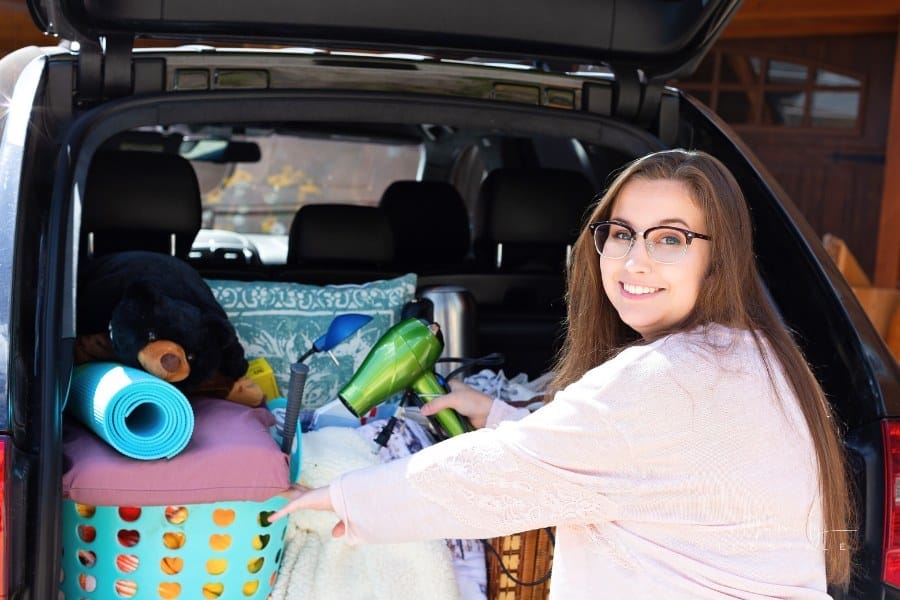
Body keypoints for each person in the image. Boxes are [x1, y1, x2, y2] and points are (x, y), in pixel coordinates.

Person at [270, 149, 855, 598]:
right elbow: (629, 461)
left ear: (718, 257)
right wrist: (503, 416)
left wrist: (338, 496)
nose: (634, 260)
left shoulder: (667, 377)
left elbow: (507, 475)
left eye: (670, 239)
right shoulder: (758, 358)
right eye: (621, 233)